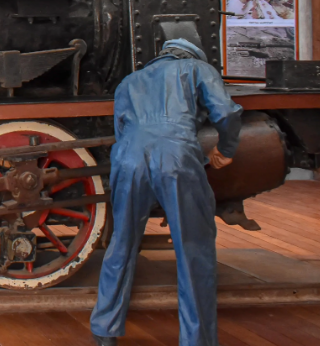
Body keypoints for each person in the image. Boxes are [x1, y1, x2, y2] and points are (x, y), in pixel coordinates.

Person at [90, 38, 242, 346]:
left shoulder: (129, 81)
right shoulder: (198, 69)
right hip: (176, 157)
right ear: (192, 55)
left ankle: (104, 331)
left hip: (128, 156)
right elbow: (226, 112)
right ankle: (195, 339)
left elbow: (121, 130)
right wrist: (225, 149)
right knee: (193, 248)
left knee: (122, 243)